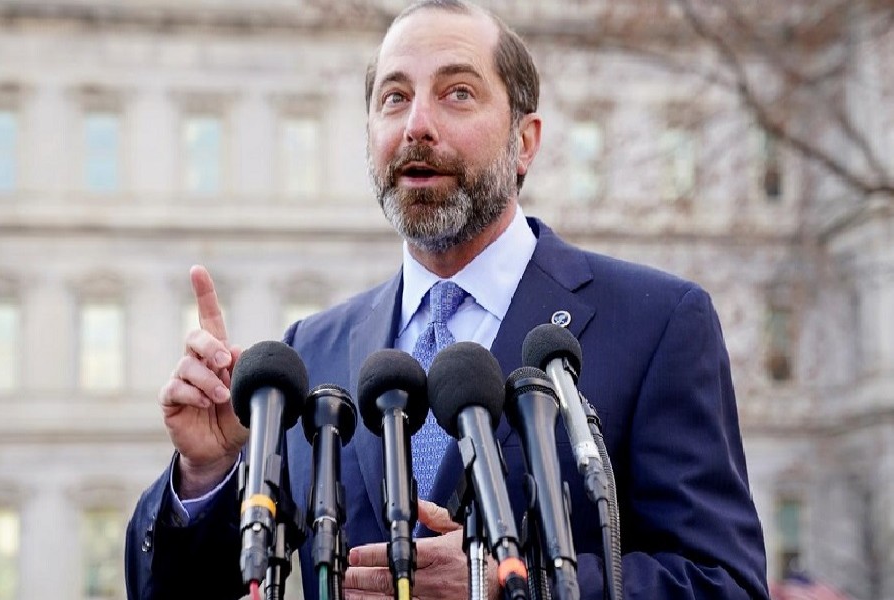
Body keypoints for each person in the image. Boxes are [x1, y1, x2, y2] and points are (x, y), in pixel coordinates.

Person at [125, 1, 770, 599]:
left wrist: (505, 581)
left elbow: (725, 584)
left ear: (525, 142)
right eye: (394, 98)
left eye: (457, 93)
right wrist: (203, 477)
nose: (418, 125)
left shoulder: (657, 323)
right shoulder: (308, 353)